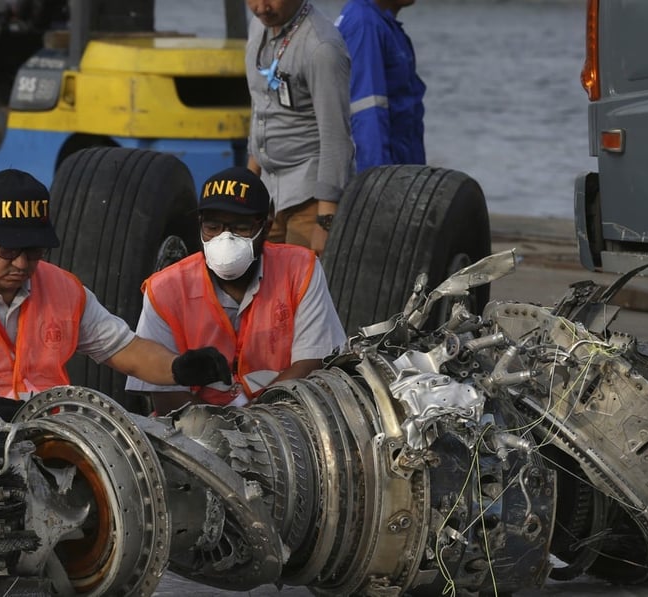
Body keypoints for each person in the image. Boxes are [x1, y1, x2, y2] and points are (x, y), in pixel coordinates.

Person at [0, 169, 230, 420]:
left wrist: (179, 368)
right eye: (9, 250)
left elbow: (127, 351)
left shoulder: (64, 289)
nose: (22, 263)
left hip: (50, 438)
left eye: (34, 251)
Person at [126, 166, 347, 415]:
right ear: (199, 226)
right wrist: (224, 428)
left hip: (286, 420)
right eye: (213, 227)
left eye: (241, 228)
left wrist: (256, 422)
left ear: (266, 226)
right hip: (192, 430)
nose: (225, 239)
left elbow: (312, 362)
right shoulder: (165, 289)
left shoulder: (300, 269)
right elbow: (164, 394)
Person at [245, 0, 355, 256]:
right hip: (267, 191)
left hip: (308, 199)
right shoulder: (258, 28)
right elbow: (260, 107)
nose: (261, 8)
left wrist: (325, 221)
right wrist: (249, 182)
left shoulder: (321, 48)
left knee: (301, 290)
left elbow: (336, 136)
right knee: (261, 286)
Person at [336, 0, 426, 173]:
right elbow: (366, 112)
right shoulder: (364, 25)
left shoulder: (382, 24)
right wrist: (377, 184)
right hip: (383, 176)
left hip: (403, 170)